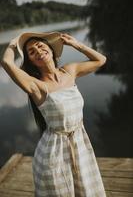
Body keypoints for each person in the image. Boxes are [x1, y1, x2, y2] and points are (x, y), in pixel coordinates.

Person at [1, 31, 107, 197]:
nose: (38, 51)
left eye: (40, 46)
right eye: (31, 52)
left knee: (87, 191)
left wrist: (76, 44)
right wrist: (14, 44)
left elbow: (101, 60)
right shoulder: (36, 86)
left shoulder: (69, 71)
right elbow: (7, 63)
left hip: (80, 144)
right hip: (54, 154)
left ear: (50, 49)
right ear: (30, 61)